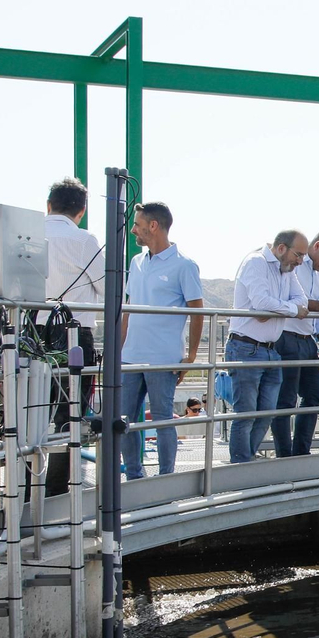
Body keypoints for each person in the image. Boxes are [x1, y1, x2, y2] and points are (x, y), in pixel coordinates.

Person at [120, 202, 204, 479]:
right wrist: (118, 352)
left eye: (137, 225)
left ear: (153, 226)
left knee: (162, 419)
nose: (134, 230)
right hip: (130, 357)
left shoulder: (185, 265)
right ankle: (134, 476)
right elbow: (129, 311)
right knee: (126, 420)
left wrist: (189, 357)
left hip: (163, 359)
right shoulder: (136, 262)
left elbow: (198, 312)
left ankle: (166, 478)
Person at [41, 177, 104, 495]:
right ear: (81, 211)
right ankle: (56, 490)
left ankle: (26, 487)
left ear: (48, 205)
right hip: (73, 334)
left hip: (28, 332)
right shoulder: (83, 240)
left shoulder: (27, 236)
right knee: (69, 412)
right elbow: (109, 290)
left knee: (30, 409)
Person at [229, 230, 311, 463]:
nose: (300, 261)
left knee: (266, 413)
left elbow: (301, 299)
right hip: (246, 348)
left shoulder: (287, 271)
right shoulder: (256, 263)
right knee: (246, 414)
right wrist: (290, 310)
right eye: (298, 254)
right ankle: (241, 466)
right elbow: (261, 303)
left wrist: (275, 310)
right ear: (282, 248)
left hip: (270, 349)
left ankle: (247, 461)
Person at [271, 230, 319, 457]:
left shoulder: (314, 274)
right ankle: (285, 455)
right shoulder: (293, 268)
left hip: (307, 341)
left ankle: (301, 452)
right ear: (318, 246)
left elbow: (318, 315)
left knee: (314, 396)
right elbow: (292, 302)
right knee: (286, 400)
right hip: (287, 336)